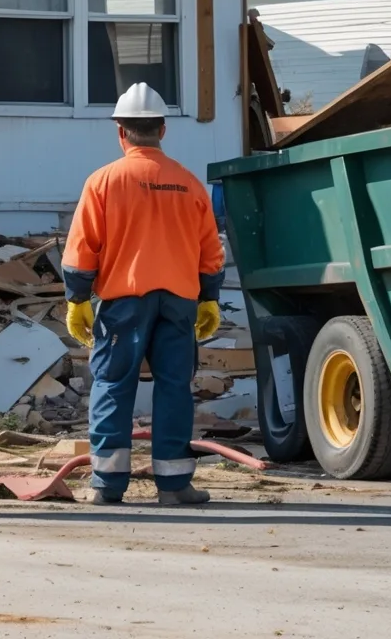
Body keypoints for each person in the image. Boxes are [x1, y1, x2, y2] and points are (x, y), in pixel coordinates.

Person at [61, 81, 226, 506]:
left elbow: (82, 247)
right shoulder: (189, 184)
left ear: (121, 131)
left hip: (123, 302)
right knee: (174, 386)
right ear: (162, 130)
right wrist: (209, 296)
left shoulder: (103, 182)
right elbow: (211, 250)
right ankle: (174, 486)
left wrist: (77, 298)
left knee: (114, 384)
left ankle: (107, 485)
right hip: (179, 301)